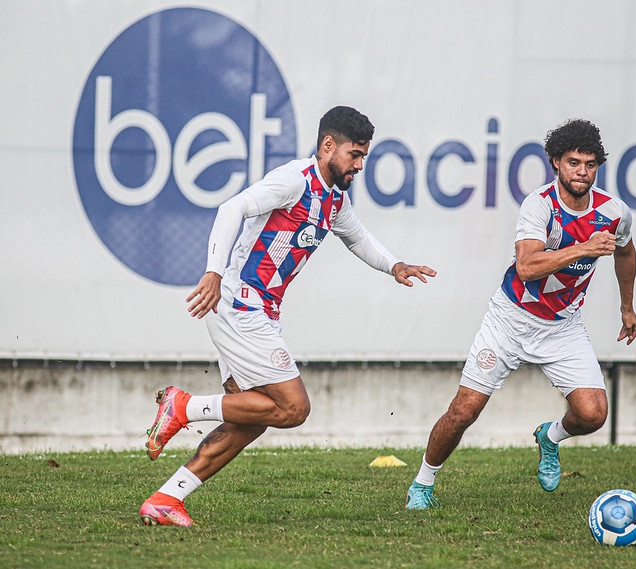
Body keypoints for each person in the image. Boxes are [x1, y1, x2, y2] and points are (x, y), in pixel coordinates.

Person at [139, 106, 436, 526]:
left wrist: (395, 266)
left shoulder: (334, 198)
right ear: (327, 145)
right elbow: (231, 209)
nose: (359, 165)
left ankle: (167, 499)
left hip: (255, 309)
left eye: (364, 156)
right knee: (293, 409)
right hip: (241, 304)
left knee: (253, 416)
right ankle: (183, 406)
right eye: (354, 154)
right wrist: (212, 271)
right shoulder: (295, 179)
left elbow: (359, 238)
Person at [405, 119, 636, 509]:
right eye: (573, 162)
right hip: (509, 321)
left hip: (562, 327)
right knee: (464, 411)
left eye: (590, 163)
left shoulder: (614, 211)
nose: (582, 172)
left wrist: (627, 306)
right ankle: (422, 484)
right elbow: (528, 266)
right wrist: (583, 248)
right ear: (555, 163)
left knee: (593, 413)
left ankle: (549, 437)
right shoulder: (540, 205)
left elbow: (626, 252)